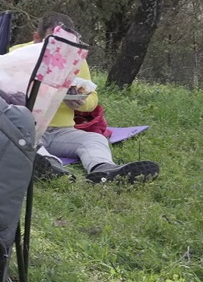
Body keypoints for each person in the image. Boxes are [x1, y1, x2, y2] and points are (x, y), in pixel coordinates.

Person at [21, 13, 160, 184]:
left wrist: (81, 103)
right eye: (53, 43)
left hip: (60, 132)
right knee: (23, 139)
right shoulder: (17, 54)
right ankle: (51, 168)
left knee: (95, 139)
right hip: (28, 126)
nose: (60, 50)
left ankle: (104, 170)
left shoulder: (76, 60)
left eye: (66, 45)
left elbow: (92, 98)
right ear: (37, 38)